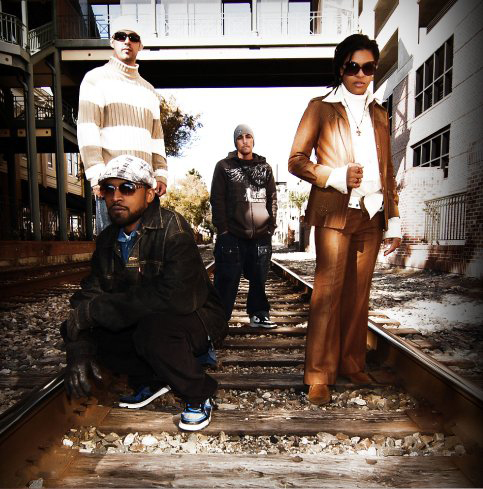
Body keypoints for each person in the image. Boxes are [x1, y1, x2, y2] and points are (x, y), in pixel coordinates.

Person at [61, 155, 227, 431]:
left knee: (152, 331)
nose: (116, 197)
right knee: (79, 326)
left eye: (127, 188)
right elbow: (88, 298)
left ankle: (198, 394)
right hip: (143, 317)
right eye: (108, 189)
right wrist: (79, 348)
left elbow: (174, 297)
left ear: (149, 195)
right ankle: (152, 379)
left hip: (197, 317)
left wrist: (97, 311)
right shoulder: (107, 240)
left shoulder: (173, 229)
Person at [288, 34, 401, 405]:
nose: (360, 75)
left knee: (358, 294)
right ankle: (319, 375)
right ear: (341, 69)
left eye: (368, 68)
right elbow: (296, 160)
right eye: (353, 67)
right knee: (328, 293)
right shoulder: (321, 107)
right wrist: (334, 176)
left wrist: (394, 219)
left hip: (372, 213)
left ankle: (352, 363)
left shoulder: (380, 113)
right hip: (335, 212)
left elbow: (387, 168)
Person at [77, 15, 168, 234]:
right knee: (111, 249)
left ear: (140, 45)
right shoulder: (95, 79)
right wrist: (96, 176)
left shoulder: (149, 90)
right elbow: (88, 129)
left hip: (144, 186)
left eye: (133, 37)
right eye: (121, 36)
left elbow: (156, 137)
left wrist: (161, 174)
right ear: (112, 41)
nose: (127, 41)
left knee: (148, 249)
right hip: (112, 186)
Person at [210, 124, 278, 328]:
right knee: (226, 278)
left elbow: (272, 198)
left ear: (254, 140)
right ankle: (218, 320)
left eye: (249, 136)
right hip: (232, 233)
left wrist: (271, 227)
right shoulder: (224, 166)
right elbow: (217, 199)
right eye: (240, 137)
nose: (245, 140)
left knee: (259, 277)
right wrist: (223, 230)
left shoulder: (265, 168)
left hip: (261, 233)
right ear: (235, 142)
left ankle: (259, 314)